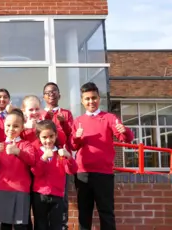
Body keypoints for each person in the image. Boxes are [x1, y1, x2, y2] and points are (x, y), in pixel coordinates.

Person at [71, 82, 134, 230]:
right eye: (87, 99)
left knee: (106, 213)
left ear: (99, 98)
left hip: (104, 173)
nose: (91, 101)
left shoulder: (110, 118)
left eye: (94, 98)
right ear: (82, 101)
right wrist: (77, 138)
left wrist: (124, 130)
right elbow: (73, 146)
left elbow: (127, 139)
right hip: (83, 174)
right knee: (84, 214)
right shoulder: (78, 121)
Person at [0, 109, 36, 230]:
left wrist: (18, 152)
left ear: (22, 128)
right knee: (3, 226)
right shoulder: (0, 145)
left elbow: (32, 161)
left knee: (21, 226)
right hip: (2, 189)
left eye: (16, 126)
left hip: (21, 190)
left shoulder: (26, 145)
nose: (11, 129)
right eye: (8, 125)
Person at [31, 120, 78, 230]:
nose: (48, 140)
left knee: (56, 226)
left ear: (56, 135)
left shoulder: (61, 152)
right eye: (44, 137)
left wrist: (69, 157)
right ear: (39, 137)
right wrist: (44, 158)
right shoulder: (36, 152)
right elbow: (35, 172)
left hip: (57, 195)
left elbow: (72, 170)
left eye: (51, 136)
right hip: (40, 195)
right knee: (40, 225)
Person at [42, 82, 74, 229]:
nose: (51, 94)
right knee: (42, 193)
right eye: (48, 92)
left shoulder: (66, 113)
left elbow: (71, 137)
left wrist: (64, 123)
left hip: (60, 158)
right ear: (43, 97)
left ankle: (62, 225)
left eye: (54, 91)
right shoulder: (40, 113)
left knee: (62, 195)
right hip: (43, 158)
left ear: (59, 95)